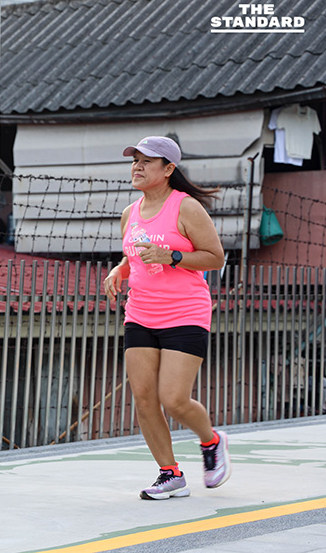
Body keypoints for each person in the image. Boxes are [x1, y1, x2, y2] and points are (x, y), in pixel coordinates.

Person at [103, 136, 232, 500]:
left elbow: (215, 257)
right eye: (135, 161)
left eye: (147, 161)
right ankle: (170, 473)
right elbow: (135, 255)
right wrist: (120, 269)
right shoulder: (130, 212)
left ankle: (211, 441)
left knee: (173, 398)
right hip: (140, 313)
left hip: (184, 312)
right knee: (144, 398)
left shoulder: (186, 208)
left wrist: (172, 256)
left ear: (169, 169)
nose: (137, 167)